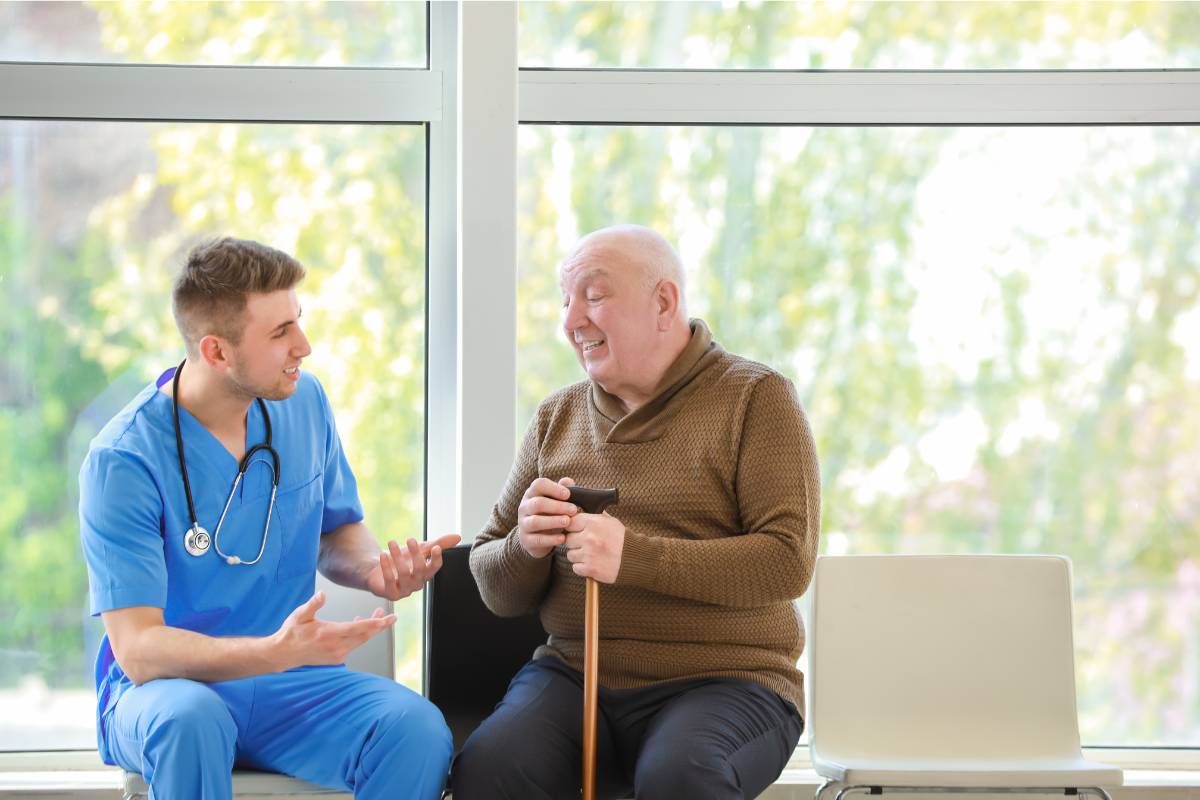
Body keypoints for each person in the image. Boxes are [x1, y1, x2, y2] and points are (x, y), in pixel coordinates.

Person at [79, 237, 458, 800]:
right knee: (191, 721)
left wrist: (376, 572)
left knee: (415, 731)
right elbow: (139, 650)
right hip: (170, 689)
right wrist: (272, 651)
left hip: (289, 684)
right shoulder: (123, 461)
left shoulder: (304, 405)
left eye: (297, 322)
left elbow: (335, 530)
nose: (303, 346)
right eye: (280, 333)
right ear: (217, 352)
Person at [450, 224, 821, 799]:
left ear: (664, 303)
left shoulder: (756, 397)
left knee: (681, 778)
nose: (572, 320)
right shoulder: (557, 417)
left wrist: (635, 557)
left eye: (593, 296)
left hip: (728, 679)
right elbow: (497, 587)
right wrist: (525, 546)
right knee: (490, 769)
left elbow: (786, 561)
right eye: (565, 300)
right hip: (574, 674)